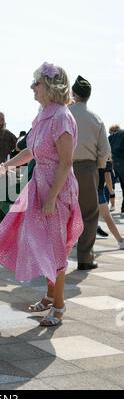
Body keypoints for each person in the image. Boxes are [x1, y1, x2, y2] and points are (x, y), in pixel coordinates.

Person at [0, 62, 83, 327]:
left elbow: (66, 163)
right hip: (39, 185)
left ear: (50, 86)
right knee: (42, 243)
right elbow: (31, 152)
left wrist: (52, 197)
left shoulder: (62, 116)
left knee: (55, 248)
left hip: (56, 189)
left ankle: (60, 306)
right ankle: (51, 296)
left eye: (36, 82)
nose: (32, 87)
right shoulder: (43, 115)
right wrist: (4, 166)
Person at [69, 75, 110, 270]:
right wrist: (99, 166)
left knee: (61, 212)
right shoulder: (96, 118)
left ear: (73, 94)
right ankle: (84, 258)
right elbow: (105, 150)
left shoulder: (64, 113)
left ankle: (52, 259)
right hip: (87, 167)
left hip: (63, 166)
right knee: (89, 214)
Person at [97, 160, 124, 248]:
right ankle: (120, 241)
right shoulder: (106, 160)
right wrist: (111, 192)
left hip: (84, 190)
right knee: (107, 218)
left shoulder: (88, 155)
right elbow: (108, 178)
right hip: (98, 192)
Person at [108, 124, 124, 213]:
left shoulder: (110, 137)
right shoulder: (122, 134)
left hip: (111, 163)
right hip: (122, 162)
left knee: (109, 184)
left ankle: (107, 205)